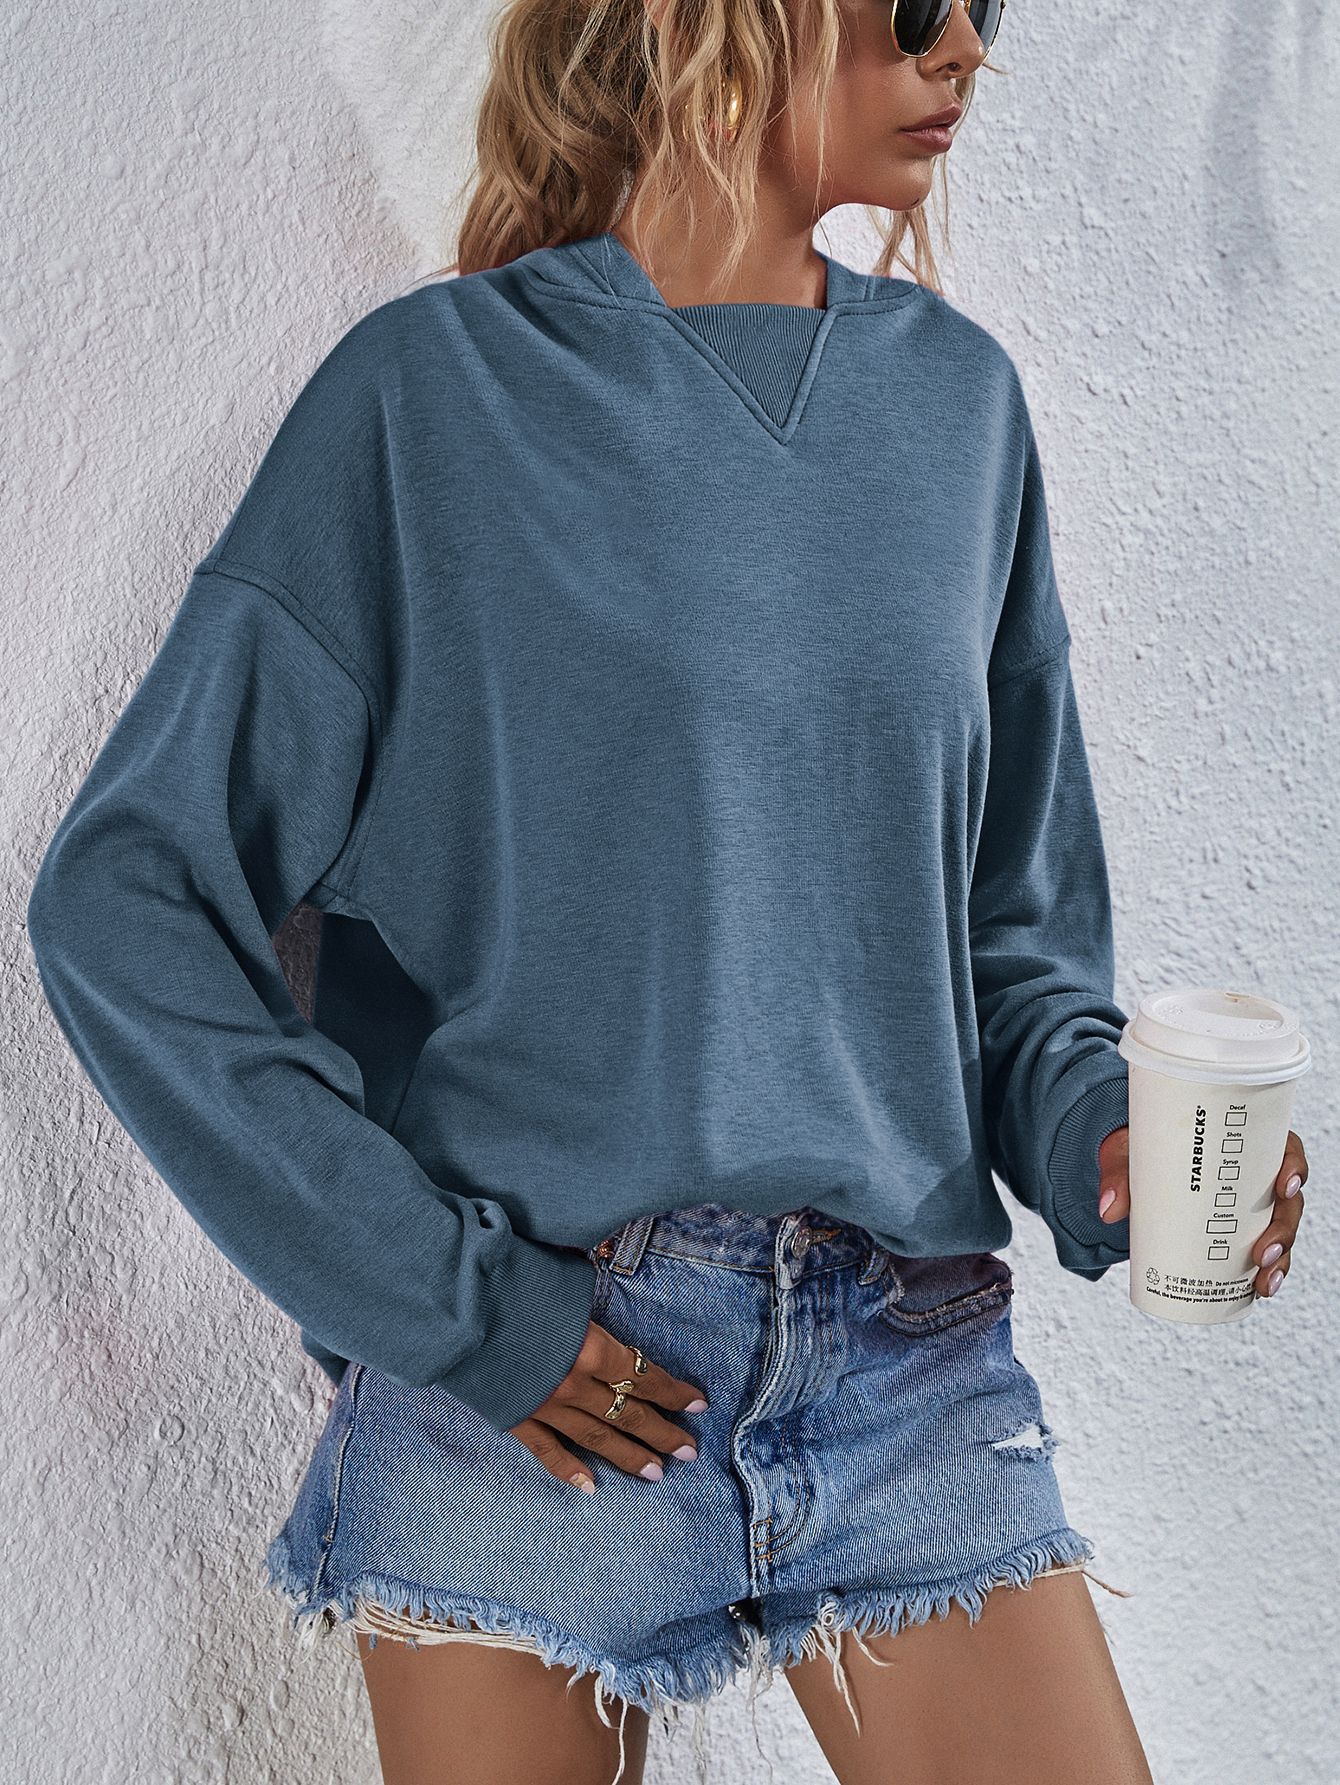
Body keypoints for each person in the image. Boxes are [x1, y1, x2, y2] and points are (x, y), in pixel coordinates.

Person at [26, 1, 1312, 1782]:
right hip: (534, 1382)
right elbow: (126, 895)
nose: (964, 49)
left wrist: (1109, 1137)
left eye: (992, 6)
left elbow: (1010, 948)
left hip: (906, 1360)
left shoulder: (960, 413)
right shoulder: (428, 403)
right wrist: (455, 1302)